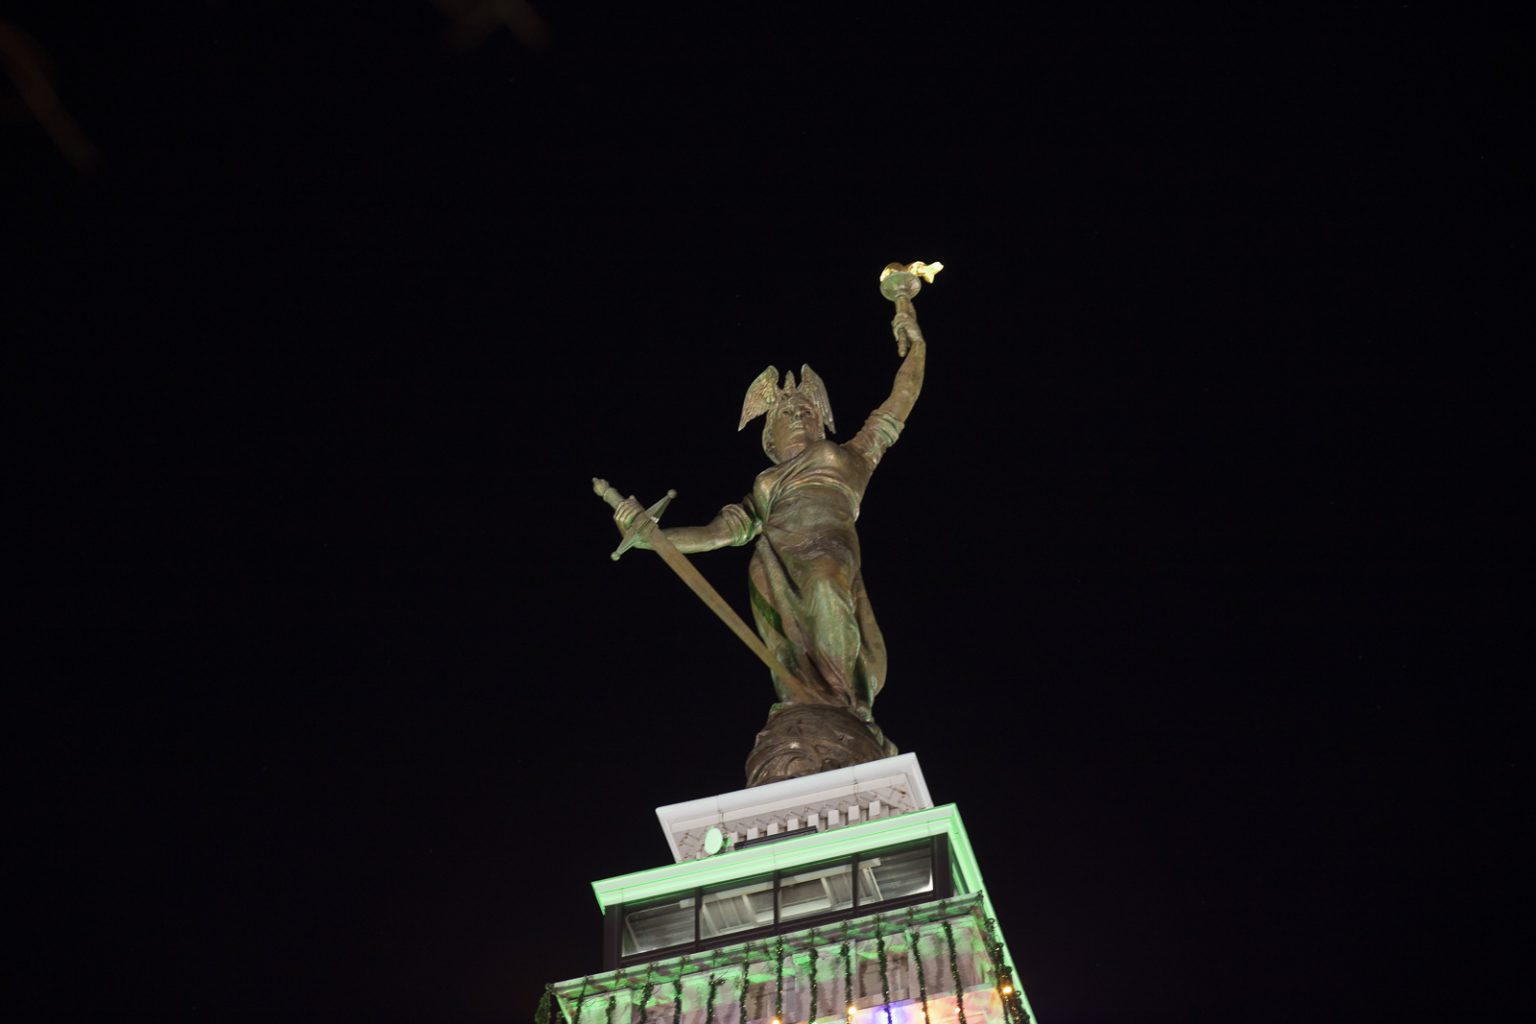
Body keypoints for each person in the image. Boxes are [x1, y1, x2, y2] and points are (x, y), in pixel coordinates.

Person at [613, 263, 935, 777]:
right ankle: (807, 708)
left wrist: (912, 333)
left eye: (806, 411)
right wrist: (650, 537)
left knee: (829, 588)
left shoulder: (853, 454)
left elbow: (900, 400)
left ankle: (844, 705)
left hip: (829, 547)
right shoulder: (763, 488)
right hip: (775, 560)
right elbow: (720, 533)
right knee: (790, 639)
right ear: (769, 439)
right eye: (787, 415)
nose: (799, 417)